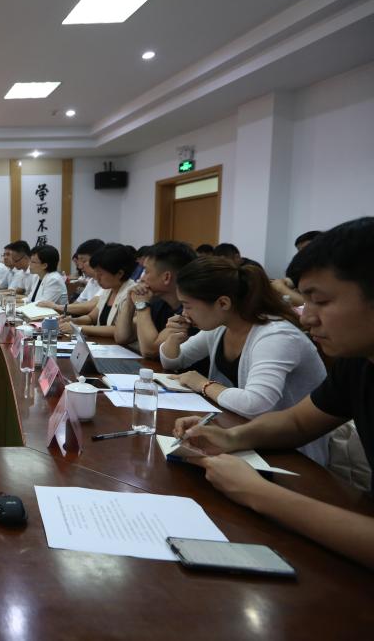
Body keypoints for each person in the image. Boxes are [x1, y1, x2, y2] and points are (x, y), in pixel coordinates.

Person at [172, 217, 374, 569]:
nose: (307, 318)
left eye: (321, 301)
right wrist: (230, 437)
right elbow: (298, 422)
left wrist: (260, 494)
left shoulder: (279, 334)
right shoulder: (358, 362)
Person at [160, 256, 328, 463]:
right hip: (241, 434)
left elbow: (255, 404)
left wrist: (202, 384)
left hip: (291, 453)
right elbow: (173, 362)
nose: (184, 313)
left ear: (223, 303)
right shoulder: (222, 327)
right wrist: (173, 337)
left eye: (187, 305)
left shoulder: (276, 336)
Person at [123, 240, 197, 358]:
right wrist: (129, 302)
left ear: (166, 277)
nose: (142, 278)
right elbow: (122, 337)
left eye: (146, 271)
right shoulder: (158, 302)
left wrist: (141, 305)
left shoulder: (190, 310)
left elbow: (149, 351)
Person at [59, 243, 137, 342]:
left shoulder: (132, 293)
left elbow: (119, 330)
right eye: (95, 272)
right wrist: (73, 321)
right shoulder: (109, 289)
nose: (96, 277)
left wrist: (79, 328)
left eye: (101, 274)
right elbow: (91, 318)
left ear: (119, 273)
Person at [40, 238, 105, 315]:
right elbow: (77, 304)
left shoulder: (107, 282)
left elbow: (90, 306)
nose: (80, 266)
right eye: (79, 261)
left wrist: (56, 306)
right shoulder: (92, 281)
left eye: (84, 261)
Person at [272, 231, 323, 305]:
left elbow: (311, 305)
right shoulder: (301, 269)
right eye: (299, 250)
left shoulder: (329, 272)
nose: (301, 255)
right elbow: (290, 281)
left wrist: (281, 288)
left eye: (306, 249)